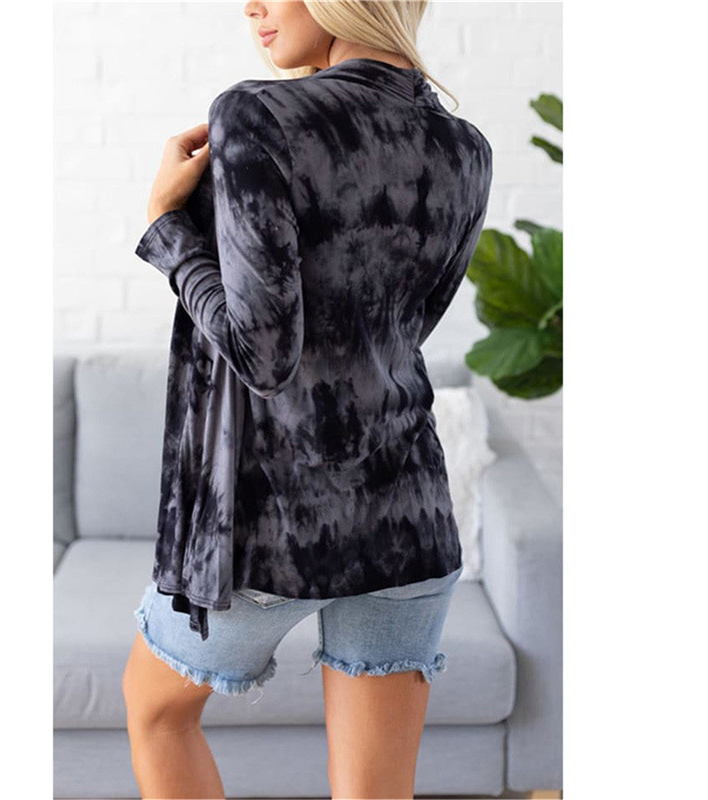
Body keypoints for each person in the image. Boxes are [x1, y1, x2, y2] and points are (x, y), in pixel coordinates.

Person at [122, 1, 492, 797]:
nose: (249, 5)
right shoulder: (465, 148)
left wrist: (166, 225)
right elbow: (405, 331)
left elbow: (263, 356)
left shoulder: (257, 114)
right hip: (408, 514)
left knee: (154, 715)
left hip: (268, 525)